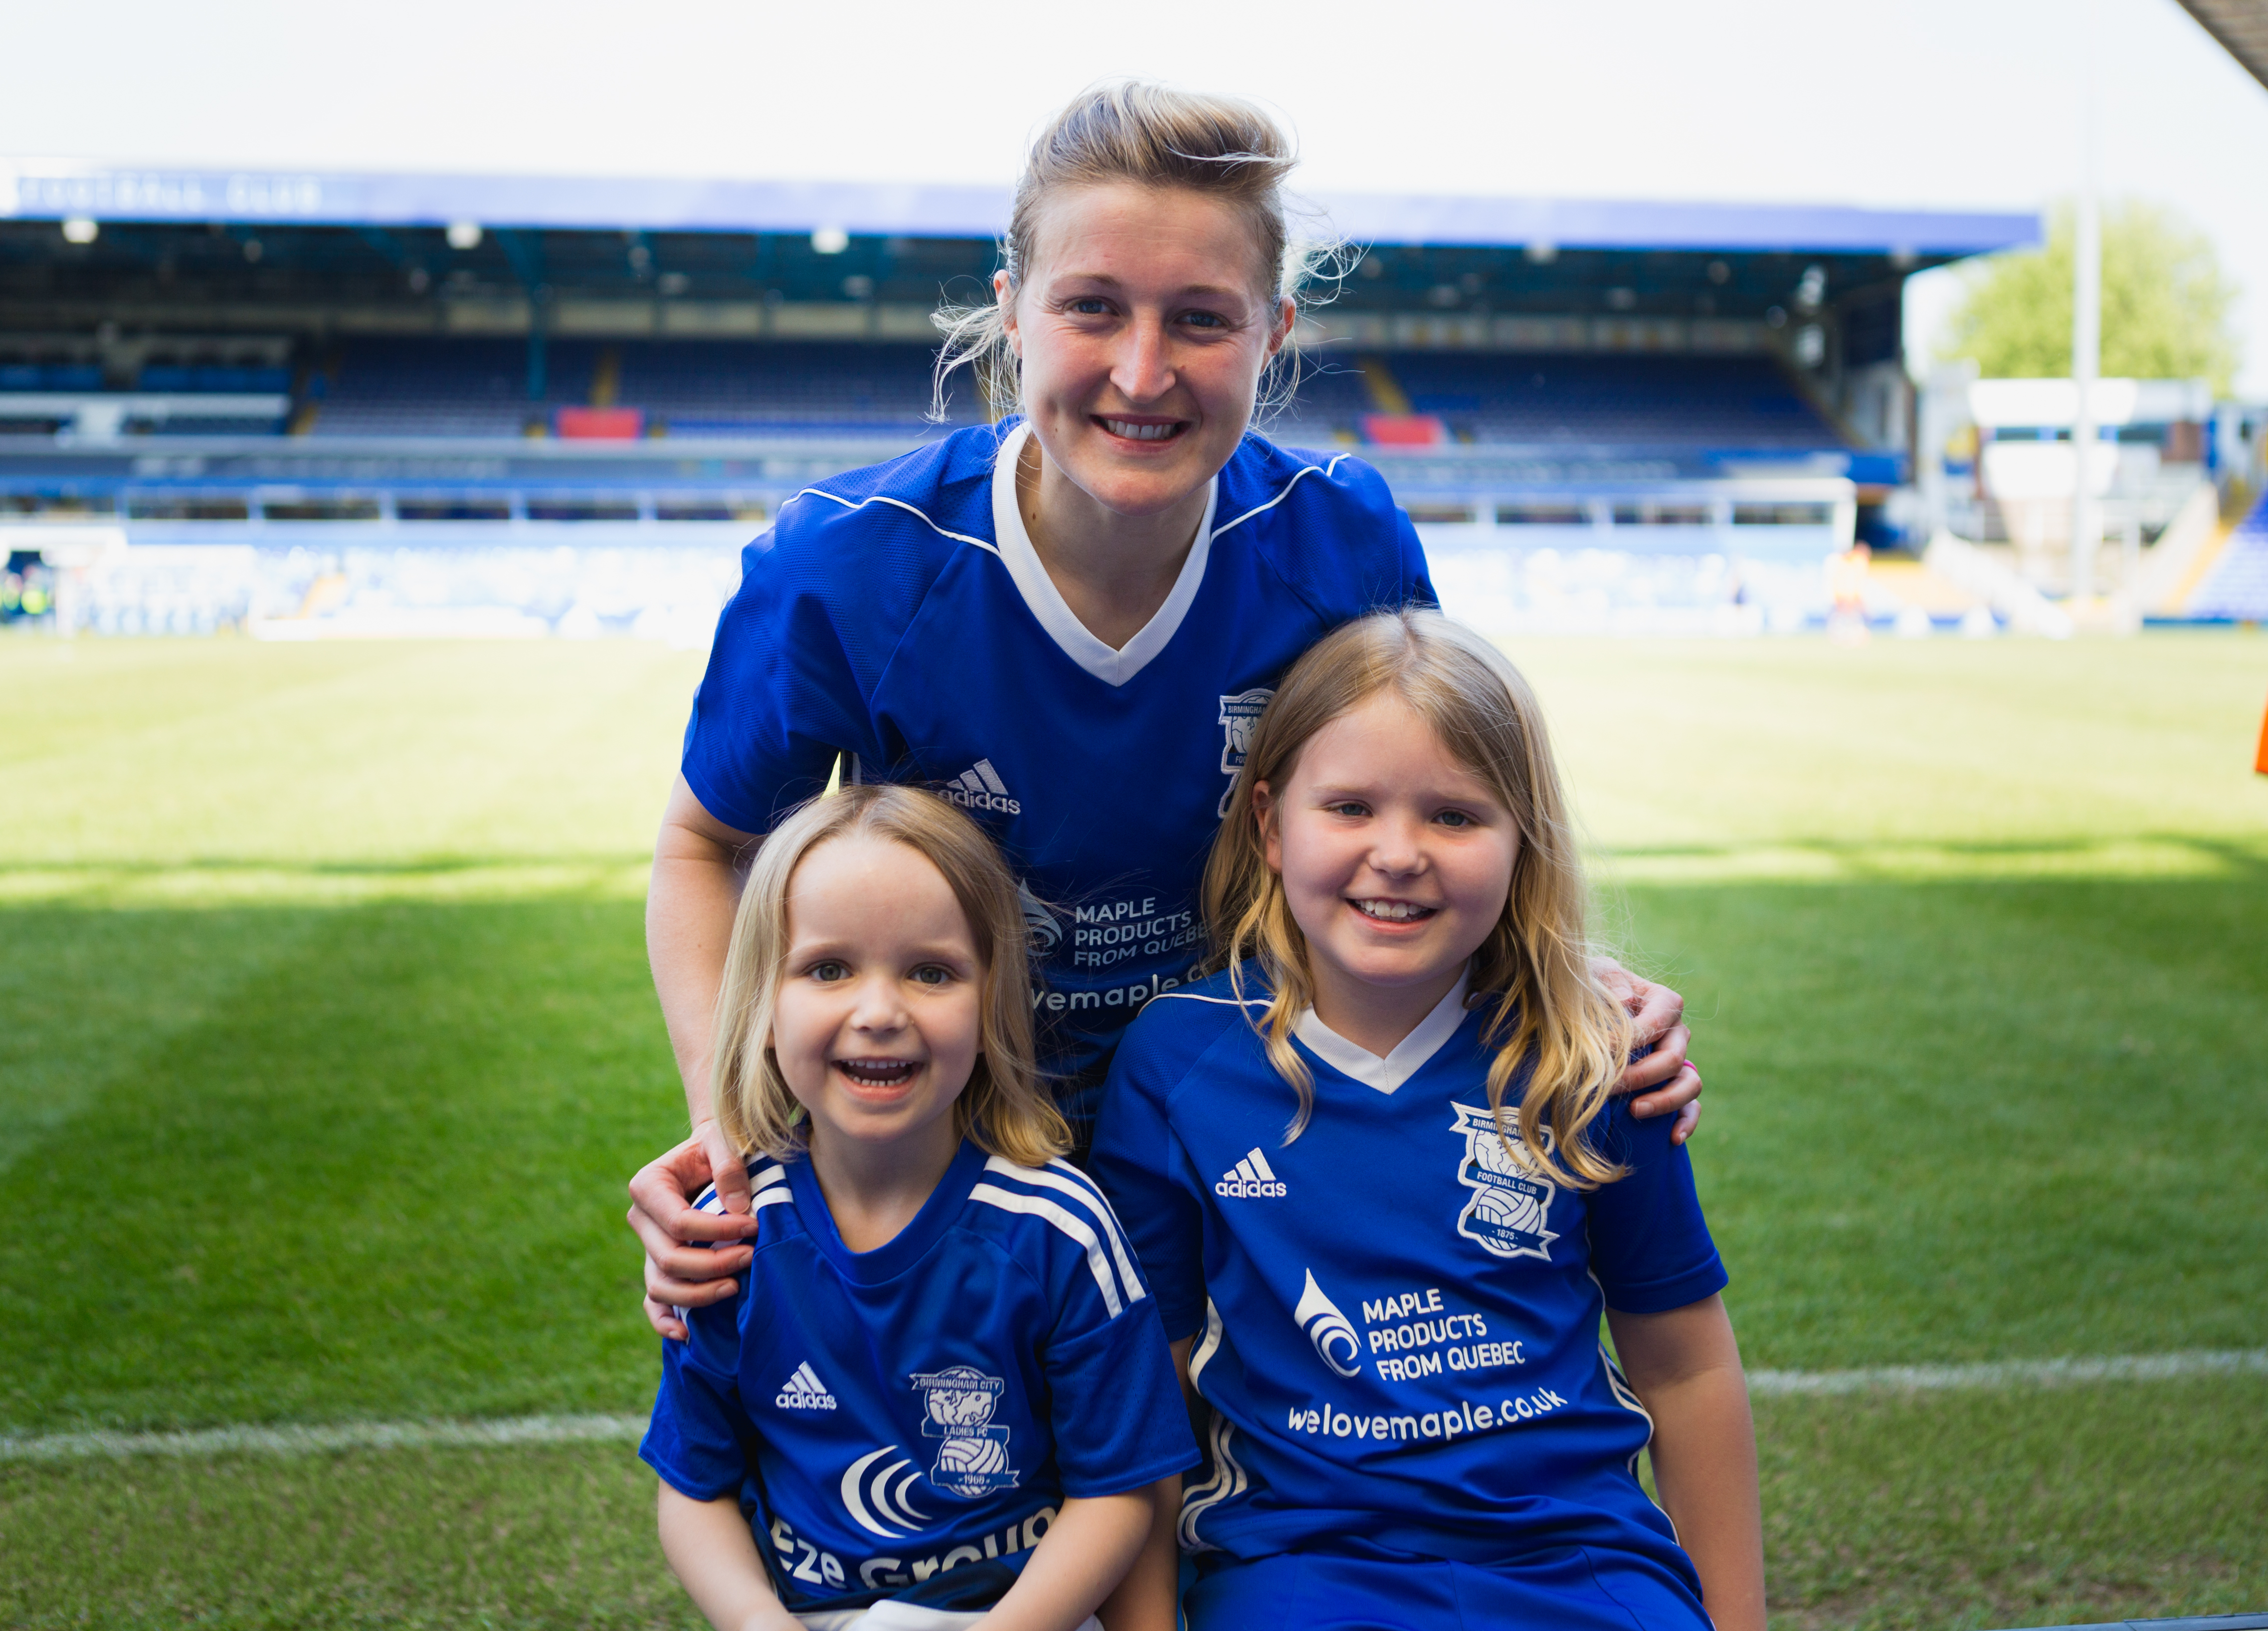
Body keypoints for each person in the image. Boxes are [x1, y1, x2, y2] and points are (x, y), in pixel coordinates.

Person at [629, 81, 1703, 1338]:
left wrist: (1574, 984)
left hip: (1245, 1115)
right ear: (1015, 314)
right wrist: (733, 1131)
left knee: (1235, 1494)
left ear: (1274, 334)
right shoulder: (847, 566)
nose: (1144, 373)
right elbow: (708, 845)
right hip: (961, 1114)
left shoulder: (1337, 536)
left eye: (1201, 319)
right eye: (1094, 307)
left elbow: (1434, 803)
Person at [1091, 610, 1763, 1631]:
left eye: (1454, 816)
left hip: (1577, 1556)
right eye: (1351, 807)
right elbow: (1153, 1393)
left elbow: (1686, 1364)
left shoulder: (1593, 1055)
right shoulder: (1176, 1065)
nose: (1398, 854)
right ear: (1271, 826)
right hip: (1304, 1566)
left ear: (1522, 836)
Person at [640, 784, 1195, 1631]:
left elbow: (1119, 1492)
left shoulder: (1059, 1229)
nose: (879, 1013)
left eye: (930, 972)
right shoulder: (730, 1237)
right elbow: (693, 1490)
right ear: (758, 1006)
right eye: (829, 968)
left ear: (989, 1004)